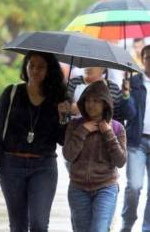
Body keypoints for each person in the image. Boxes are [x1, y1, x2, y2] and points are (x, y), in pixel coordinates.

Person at [0, 51, 68, 232]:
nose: (35, 71)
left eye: (41, 67)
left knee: (39, 223)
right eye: (32, 65)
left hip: (43, 167)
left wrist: (63, 117)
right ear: (26, 66)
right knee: (18, 225)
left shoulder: (57, 99)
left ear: (49, 70)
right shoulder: (11, 93)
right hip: (11, 165)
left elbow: (62, 141)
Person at [63, 80, 127, 232]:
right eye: (88, 100)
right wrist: (82, 131)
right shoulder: (75, 125)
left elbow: (120, 161)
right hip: (78, 188)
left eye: (96, 101)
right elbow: (68, 155)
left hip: (106, 187)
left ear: (105, 103)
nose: (91, 105)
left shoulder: (117, 128)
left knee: (99, 229)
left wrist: (108, 134)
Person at [120, 44, 150, 232]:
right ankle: (127, 223)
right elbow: (128, 114)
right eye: (148, 58)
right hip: (137, 142)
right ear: (143, 60)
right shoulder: (135, 82)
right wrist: (125, 94)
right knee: (134, 187)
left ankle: (147, 227)